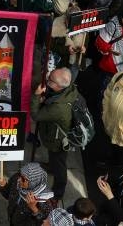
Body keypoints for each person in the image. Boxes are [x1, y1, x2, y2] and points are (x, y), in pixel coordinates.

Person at [31, 68, 80, 200]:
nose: (47, 81)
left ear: (58, 86)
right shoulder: (69, 89)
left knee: (60, 165)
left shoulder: (58, 108)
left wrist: (36, 96)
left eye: (50, 80)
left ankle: (58, 193)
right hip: (58, 134)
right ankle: (51, 166)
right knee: (55, 159)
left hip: (58, 141)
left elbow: (36, 115)